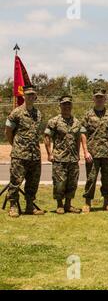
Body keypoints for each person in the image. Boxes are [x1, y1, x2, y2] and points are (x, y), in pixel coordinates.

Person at [4, 85, 45, 217]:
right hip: (20, 154)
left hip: (34, 154)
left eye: (32, 95)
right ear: (24, 96)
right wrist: (14, 145)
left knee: (33, 182)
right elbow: (8, 131)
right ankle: (13, 206)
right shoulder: (16, 113)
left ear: (35, 96)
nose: (30, 97)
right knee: (16, 181)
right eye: (28, 95)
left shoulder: (38, 113)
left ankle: (29, 206)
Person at [80, 88, 108, 213]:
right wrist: (85, 151)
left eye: (101, 97)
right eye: (97, 97)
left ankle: (106, 202)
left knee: (107, 178)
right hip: (92, 153)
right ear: (93, 99)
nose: (99, 99)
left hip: (107, 153)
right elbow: (83, 133)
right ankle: (87, 202)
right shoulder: (88, 115)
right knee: (91, 179)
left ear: (105, 98)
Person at [44, 95, 82, 214]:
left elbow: (78, 139)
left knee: (72, 183)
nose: (67, 106)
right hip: (59, 158)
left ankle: (68, 205)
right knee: (59, 183)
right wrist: (49, 154)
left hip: (73, 158)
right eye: (64, 104)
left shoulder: (76, 122)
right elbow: (46, 137)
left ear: (71, 106)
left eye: (69, 104)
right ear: (60, 105)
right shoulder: (54, 121)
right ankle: (60, 205)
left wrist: (78, 153)